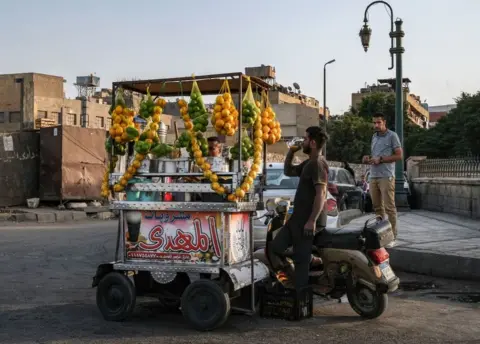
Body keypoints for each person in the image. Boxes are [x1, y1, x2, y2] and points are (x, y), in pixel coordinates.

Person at [267, 126, 329, 291]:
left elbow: (321, 193)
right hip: (297, 220)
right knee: (276, 247)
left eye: (306, 139)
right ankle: (302, 267)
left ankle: (300, 297)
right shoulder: (309, 162)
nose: (303, 142)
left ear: (313, 143)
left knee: (301, 261)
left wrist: (312, 221)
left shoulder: (318, 164)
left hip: (307, 221)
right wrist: (291, 152)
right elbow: (288, 171)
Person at [362, 112, 403, 247]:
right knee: (377, 207)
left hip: (386, 175)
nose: (376, 125)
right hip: (373, 175)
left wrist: (381, 159)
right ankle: (381, 235)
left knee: (389, 207)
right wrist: (368, 158)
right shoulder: (374, 136)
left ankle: (392, 237)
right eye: (374, 123)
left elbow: (399, 156)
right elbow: (376, 155)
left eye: (379, 122)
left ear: (384, 122)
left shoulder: (392, 136)